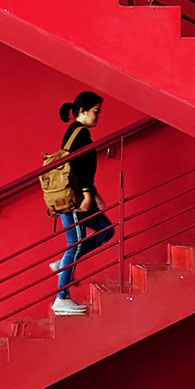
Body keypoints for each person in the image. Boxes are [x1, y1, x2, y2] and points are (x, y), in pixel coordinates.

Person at [50, 91, 114, 315]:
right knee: (75, 244)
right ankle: (62, 298)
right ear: (82, 112)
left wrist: (93, 192)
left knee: (105, 230)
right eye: (95, 112)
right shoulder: (80, 134)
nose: (98, 116)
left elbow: (81, 169)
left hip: (80, 194)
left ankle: (63, 265)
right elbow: (78, 168)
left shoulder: (77, 132)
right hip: (75, 199)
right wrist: (87, 194)